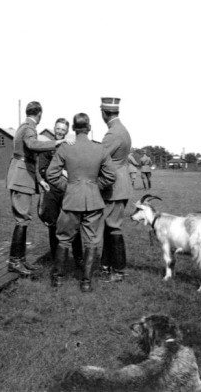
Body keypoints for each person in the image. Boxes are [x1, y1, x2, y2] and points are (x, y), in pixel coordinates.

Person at [46, 113, 116, 292]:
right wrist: (93, 187)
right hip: (94, 201)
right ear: (89, 128)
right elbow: (110, 176)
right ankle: (86, 282)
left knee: (63, 238)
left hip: (71, 200)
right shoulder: (99, 149)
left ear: (73, 130)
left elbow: (51, 175)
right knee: (92, 241)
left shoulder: (65, 148)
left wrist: (69, 187)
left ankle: (58, 279)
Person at [6, 101, 74, 276]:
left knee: (24, 219)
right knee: (22, 219)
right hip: (21, 177)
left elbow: (29, 159)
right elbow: (31, 145)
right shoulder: (29, 127)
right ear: (39, 114)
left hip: (23, 175)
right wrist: (56, 143)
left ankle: (20, 260)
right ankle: (15, 261)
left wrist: (38, 179)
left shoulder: (24, 126)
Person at [37, 118, 83, 268]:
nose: (60, 132)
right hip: (52, 191)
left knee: (73, 224)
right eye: (58, 129)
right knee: (53, 225)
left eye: (63, 130)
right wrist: (61, 172)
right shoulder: (47, 147)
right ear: (54, 128)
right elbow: (42, 169)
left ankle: (79, 258)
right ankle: (56, 258)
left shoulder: (69, 146)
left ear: (67, 131)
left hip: (68, 191)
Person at [99, 97, 133, 282]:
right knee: (109, 226)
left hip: (114, 187)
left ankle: (118, 271)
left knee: (113, 227)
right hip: (122, 185)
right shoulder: (122, 130)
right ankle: (107, 266)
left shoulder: (113, 134)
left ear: (103, 112)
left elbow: (99, 157)